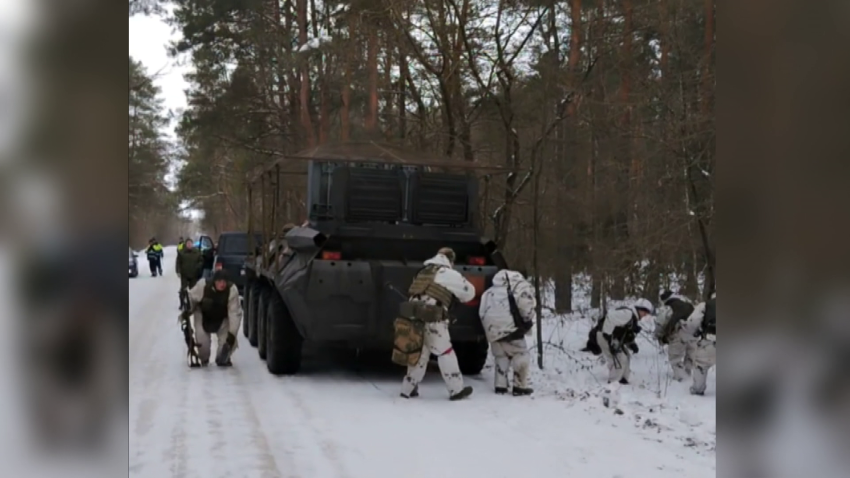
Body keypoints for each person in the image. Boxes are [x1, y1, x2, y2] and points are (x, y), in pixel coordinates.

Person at [399, 247, 476, 401]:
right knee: (445, 352)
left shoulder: (423, 271)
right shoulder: (448, 273)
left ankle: (408, 389)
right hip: (433, 318)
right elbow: (470, 293)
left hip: (414, 317)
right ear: (451, 260)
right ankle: (456, 389)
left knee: (420, 353)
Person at [478, 269, 537, 396]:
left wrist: (490, 330)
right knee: (521, 353)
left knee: (501, 356)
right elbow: (526, 307)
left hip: (492, 330)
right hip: (511, 329)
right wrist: (527, 320)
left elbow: (482, 312)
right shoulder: (519, 287)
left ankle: (500, 386)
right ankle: (519, 386)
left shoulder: (489, 292)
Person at [180, 270, 243, 367]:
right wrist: (187, 312)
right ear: (214, 281)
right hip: (203, 316)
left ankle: (222, 359)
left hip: (222, 319)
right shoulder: (203, 285)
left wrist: (231, 335)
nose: (222, 284)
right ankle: (204, 359)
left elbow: (235, 314)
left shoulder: (231, 290)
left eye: (224, 282)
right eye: (219, 281)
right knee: (203, 350)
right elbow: (191, 298)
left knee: (226, 349)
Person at [596, 298, 654, 385]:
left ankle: (623, 379)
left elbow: (624, 333)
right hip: (605, 336)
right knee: (619, 358)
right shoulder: (628, 314)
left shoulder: (632, 318)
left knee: (626, 355)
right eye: (644, 312)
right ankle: (613, 382)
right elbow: (610, 317)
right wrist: (607, 335)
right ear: (638, 309)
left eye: (646, 313)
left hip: (613, 338)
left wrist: (632, 344)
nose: (645, 315)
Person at [654, 290, 696, 381]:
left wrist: (660, 335)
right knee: (690, 355)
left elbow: (661, 322)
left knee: (675, 357)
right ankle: (688, 373)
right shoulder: (688, 305)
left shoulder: (668, 307)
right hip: (694, 333)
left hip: (679, 332)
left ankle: (682, 378)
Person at [681, 292, 716, 395]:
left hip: (711, 339)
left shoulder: (706, 305)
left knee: (701, 364)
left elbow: (693, 322)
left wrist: (695, 333)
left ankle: (698, 389)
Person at [175, 238, 204, 310]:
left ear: (192, 244)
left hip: (194, 274)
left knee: (193, 290)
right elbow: (178, 262)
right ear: (186, 244)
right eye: (188, 243)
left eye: (190, 243)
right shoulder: (181, 252)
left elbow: (201, 261)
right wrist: (178, 271)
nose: (189, 245)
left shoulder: (197, 252)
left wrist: (198, 267)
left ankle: (192, 304)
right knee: (183, 289)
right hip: (184, 274)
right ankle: (182, 303)